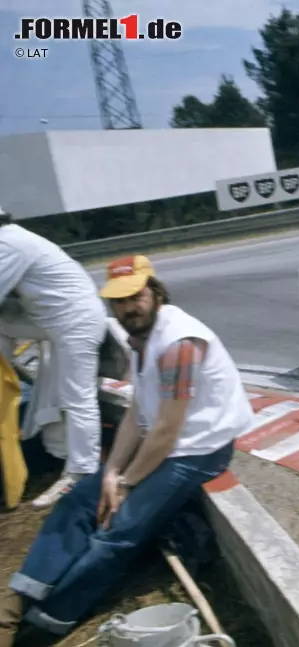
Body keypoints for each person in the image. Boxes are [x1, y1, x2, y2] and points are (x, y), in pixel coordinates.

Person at [1, 255, 254, 644]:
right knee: (76, 503)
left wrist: (126, 484)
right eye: (118, 301)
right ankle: (16, 604)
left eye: (135, 297)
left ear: (155, 291)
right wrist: (112, 472)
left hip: (198, 451)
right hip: (164, 445)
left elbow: (167, 429)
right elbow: (138, 413)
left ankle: (48, 623)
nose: (127, 308)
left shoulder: (179, 343)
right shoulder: (140, 338)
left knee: (117, 533)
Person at [0, 205, 108, 508]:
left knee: (78, 397)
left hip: (77, 322)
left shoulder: (8, 244)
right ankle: (5, 389)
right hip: (52, 321)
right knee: (2, 323)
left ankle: (82, 472)